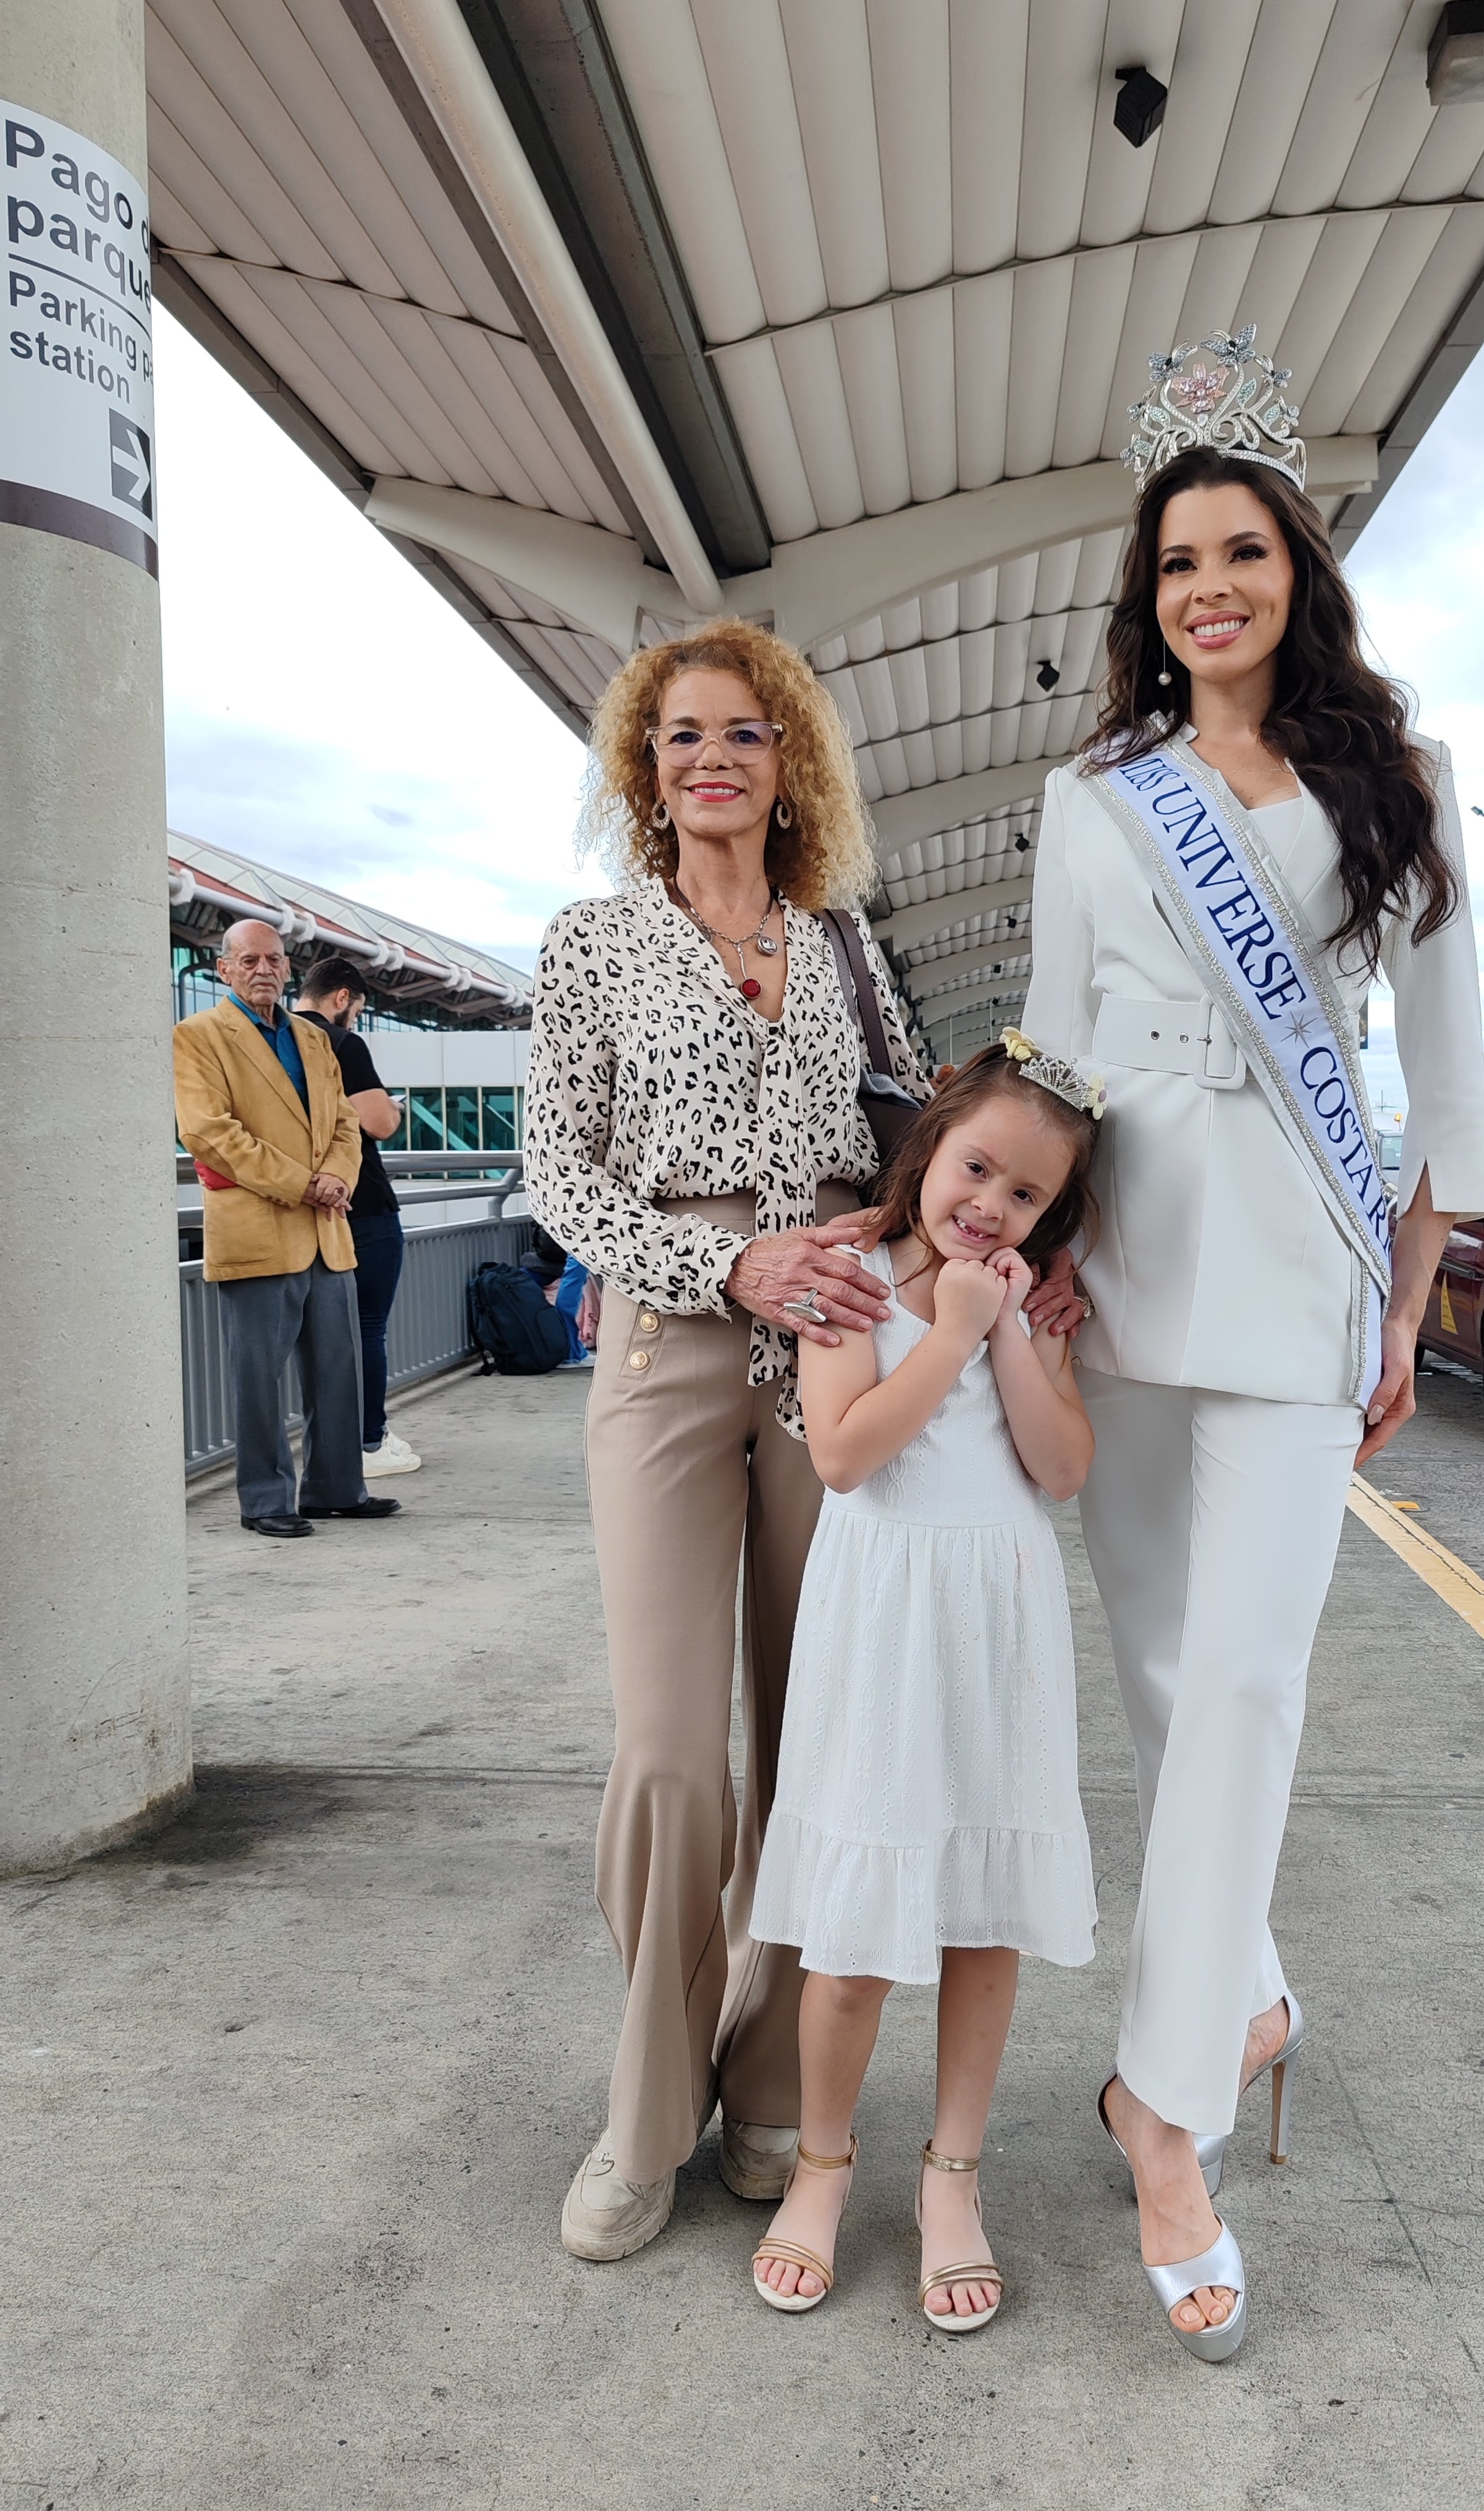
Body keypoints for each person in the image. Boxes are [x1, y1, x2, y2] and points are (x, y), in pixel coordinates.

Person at [1023, 334, 1484, 2360]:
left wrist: (1399, 1307)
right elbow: (1047, 1052)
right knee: (1157, 1676)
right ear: (1141, 603)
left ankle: (1164, 2109)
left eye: (1238, 551)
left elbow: (1444, 1088)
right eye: (1172, 565)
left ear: (1293, 570)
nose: (1204, 587)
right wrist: (1026, 1268)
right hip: (1126, 1271)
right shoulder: (1090, 794)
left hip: (1300, 1280)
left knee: (1241, 1678)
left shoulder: (1395, 782)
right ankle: (1238, 1981)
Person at [525, 620, 930, 2264]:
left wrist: (927, 1244)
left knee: (815, 1741)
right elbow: (561, 1173)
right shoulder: (592, 945)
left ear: (791, 766)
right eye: (686, 734)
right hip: (669, 1347)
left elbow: (910, 1133)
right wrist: (724, 1259)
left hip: (826, 1351)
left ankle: (771, 2082)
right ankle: (648, 2107)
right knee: (675, 1756)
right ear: (647, 766)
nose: (715, 758)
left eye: (748, 734)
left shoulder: (842, 948)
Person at [746, 1036, 1101, 2328]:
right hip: (883, 1619)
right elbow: (843, 1453)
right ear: (931, 1143)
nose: (990, 1205)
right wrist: (949, 1333)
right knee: (851, 1943)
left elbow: (1062, 1469)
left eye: (1026, 1196)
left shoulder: (1030, 1299)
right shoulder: (848, 1280)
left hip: (996, 1620)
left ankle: (953, 2176)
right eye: (976, 1168)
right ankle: (823, 2166)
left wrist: (1007, 1330)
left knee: (980, 1917)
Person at [172, 919, 402, 1538]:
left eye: (274, 958)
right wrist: (304, 1183)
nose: (264, 968)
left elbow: (347, 1124)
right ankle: (266, 1499)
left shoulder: (312, 1036)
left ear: (288, 966)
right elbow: (208, 1132)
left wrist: (336, 1179)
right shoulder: (197, 1036)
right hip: (258, 1225)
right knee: (258, 1376)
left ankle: (335, 1489)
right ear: (224, 969)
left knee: (338, 1367)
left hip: (328, 1225)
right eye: (249, 960)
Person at [294, 955, 419, 1477]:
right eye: (360, 1010)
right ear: (342, 998)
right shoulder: (339, 1042)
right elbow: (380, 1122)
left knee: (315, 1336)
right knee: (367, 1329)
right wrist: (391, 1108)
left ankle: (332, 1445)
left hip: (299, 1206)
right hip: (361, 1203)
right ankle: (368, 1443)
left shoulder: (269, 1041)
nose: (357, 1021)